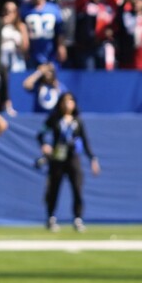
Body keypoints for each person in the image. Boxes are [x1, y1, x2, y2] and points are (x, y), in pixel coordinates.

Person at [38, 91, 99, 233]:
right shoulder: (54, 119)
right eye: (64, 101)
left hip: (73, 159)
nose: (67, 104)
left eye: (70, 101)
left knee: (77, 188)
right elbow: (40, 134)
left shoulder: (77, 121)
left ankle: (78, 219)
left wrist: (92, 158)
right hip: (57, 159)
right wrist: (44, 145)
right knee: (54, 189)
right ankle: (51, 218)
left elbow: (85, 141)